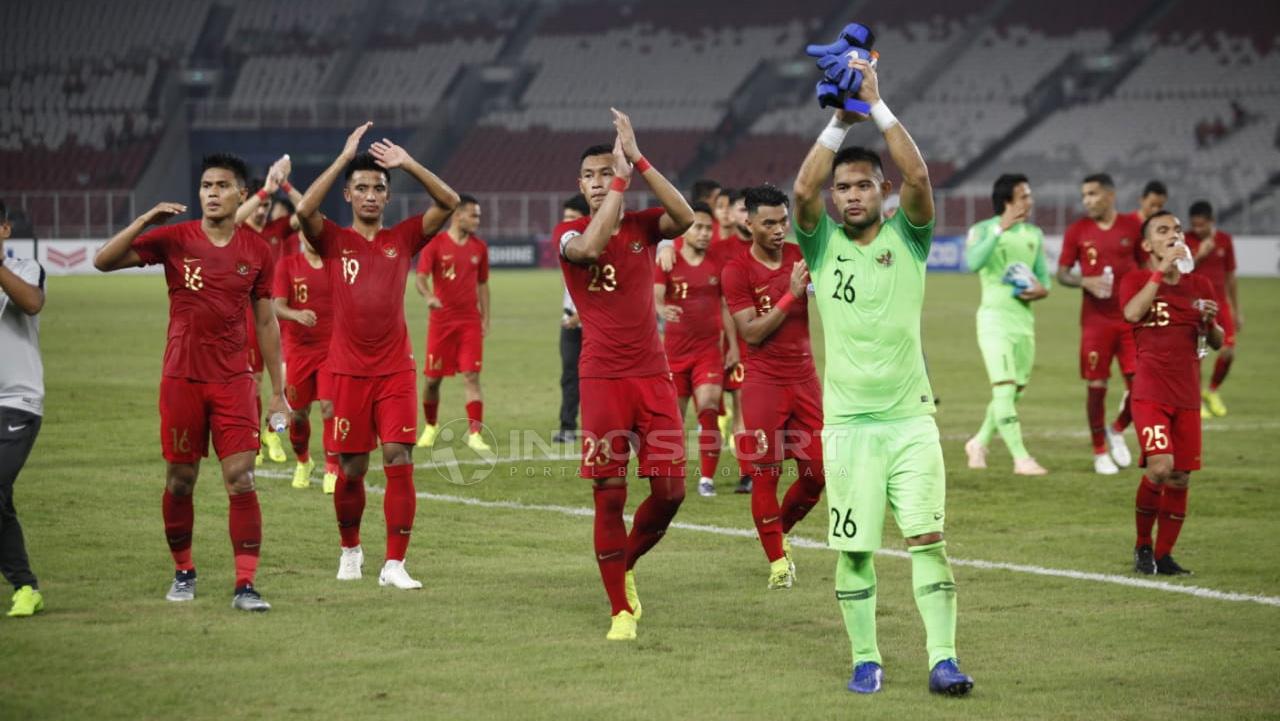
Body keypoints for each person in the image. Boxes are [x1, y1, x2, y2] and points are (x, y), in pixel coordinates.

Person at [792, 57, 973, 695]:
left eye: (864, 186)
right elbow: (799, 193)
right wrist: (840, 124)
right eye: (844, 188)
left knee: (927, 536)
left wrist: (878, 104)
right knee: (856, 550)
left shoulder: (913, 237)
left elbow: (919, 174)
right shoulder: (819, 243)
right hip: (846, 428)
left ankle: (943, 659)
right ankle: (865, 657)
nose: (852, 195)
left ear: (880, 193)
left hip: (910, 423)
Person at [93, 153, 286, 612]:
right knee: (181, 480)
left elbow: (266, 324)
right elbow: (103, 261)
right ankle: (183, 572)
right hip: (181, 378)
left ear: (242, 194)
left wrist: (279, 391)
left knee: (241, 479)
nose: (212, 193)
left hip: (235, 380)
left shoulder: (258, 251)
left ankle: (245, 585)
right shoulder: (174, 239)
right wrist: (144, 219)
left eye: (222, 185)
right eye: (205, 185)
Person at [296, 123, 459, 589]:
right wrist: (344, 158)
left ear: (388, 197)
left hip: (394, 370)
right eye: (362, 188)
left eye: (379, 189)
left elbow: (448, 202)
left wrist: (408, 163)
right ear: (348, 195)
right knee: (351, 467)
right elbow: (304, 209)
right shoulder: (332, 240)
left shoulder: (403, 239)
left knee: (398, 457)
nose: (371, 195)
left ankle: (395, 564)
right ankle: (351, 550)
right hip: (346, 370)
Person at [555, 108, 694, 641]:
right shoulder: (568, 234)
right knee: (610, 494)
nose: (596, 183)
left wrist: (638, 159)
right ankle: (619, 609)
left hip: (652, 377)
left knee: (671, 492)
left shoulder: (641, 227)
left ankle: (625, 561)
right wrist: (618, 178)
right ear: (579, 183)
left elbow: (683, 219)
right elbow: (591, 248)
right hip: (603, 381)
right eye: (588, 176)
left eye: (603, 174)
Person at [722, 184, 825, 589]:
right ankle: (778, 562)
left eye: (784, 220)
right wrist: (790, 296)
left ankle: (776, 531)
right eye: (769, 223)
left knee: (817, 474)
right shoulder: (737, 271)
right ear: (749, 224)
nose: (780, 229)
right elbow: (750, 332)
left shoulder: (803, 257)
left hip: (805, 381)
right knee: (765, 474)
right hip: (763, 384)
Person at [1119, 211, 1222, 575]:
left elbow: (1217, 340)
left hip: (1187, 397)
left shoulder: (1201, 286)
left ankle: (1164, 556)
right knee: (1160, 467)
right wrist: (1161, 270)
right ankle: (1142, 546)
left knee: (1181, 477)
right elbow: (1132, 313)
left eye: (1177, 229)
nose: (1174, 235)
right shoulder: (1135, 280)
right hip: (1150, 393)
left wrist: (1210, 322)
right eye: (1163, 230)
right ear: (1148, 245)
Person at [962, 174, 1051, 475]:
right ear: (1007, 201)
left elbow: (1044, 280)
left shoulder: (1034, 235)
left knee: (1014, 391)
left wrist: (1040, 290)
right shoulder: (982, 230)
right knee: (1003, 388)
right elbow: (974, 262)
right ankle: (1021, 458)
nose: (1030, 200)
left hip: (1024, 323)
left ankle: (978, 443)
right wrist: (1000, 229)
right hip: (994, 320)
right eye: (1024, 196)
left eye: (1029, 195)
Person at [1056, 173, 1144, 475]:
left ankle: (1117, 428)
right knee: (1097, 386)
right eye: (1084, 196)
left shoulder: (1133, 227)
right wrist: (1085, 280)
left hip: (1131, 319)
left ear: (1110, 195)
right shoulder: (1077, 230)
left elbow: (1147, 267)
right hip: (1095, 322)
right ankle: (1099, 451)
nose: (1087, 201)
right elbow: (1063, 273)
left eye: (1092, 194)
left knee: (1142, 384)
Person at [653, 201, 735, 497]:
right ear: (685, 230)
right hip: (674, 353)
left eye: (707, 228)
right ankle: (672, 474)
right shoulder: (668, 258)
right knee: (674, 417)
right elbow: (656, 297)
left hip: (708, 352)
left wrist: (733, 346)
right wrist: (662, 310)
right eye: (697, 227)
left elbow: (726, 305)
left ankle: (707, 479)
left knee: (710, 407)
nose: (704, 234)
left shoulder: (717, 261)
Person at [238, 158, 304, 465]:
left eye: (265, 207)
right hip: (250, 319)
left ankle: (272, 433)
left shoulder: (278, 229)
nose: (262, 212)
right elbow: (232, 216)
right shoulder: (236, 232)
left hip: (282, 317)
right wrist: (265, 192)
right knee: (255, 383)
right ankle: (254, 440)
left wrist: (284, 184)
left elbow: (307, 211)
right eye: (258, 206)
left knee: (286, 383)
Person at [415, 195, 491, 452]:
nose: (477, 221)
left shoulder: (479, 248)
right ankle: (431, 426)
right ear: (458, 215)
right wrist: (429, 297)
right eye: (474, 215)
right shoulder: (435, 245)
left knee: (472, 376)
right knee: (433, 381)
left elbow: (482, 285)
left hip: (469, 322)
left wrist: (486, 318)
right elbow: (420, 278)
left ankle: (475, 434)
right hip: (441, 323)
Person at [0, 200, 46, 617]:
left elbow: (31, 303)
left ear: (5, 231)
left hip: (17, 402)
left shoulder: (25, 269)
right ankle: (25, 586)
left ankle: (26, 586)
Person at [272, 232, 337, 492]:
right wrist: (296, 315)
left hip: (332, 351)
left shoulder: (337, 265)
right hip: (298, 351)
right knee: (298, 414)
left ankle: (333, 467)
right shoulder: (287, 265)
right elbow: (277, 306)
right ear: (300, 234)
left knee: (330, 408)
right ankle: (303, 461)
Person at [1184, 201, 1240, 418]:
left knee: (1228, 351)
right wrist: (1200, 255)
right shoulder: (1186, 241)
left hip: (1220, 305)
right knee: (1196, 356)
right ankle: (1195, 398)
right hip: (1195, 304)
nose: (1197, 229)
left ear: (1211, 222)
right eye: (1194, 225)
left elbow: (1231, 277)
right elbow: (1182, 272)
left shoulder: (1225, 241)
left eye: (1202, 225)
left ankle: (1212, 391)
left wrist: (1236, 308)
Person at [555, 195, 590, 444]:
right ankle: (567, 427)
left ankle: (602, 427)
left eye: (572, 218)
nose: (566, 222)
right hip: (570, 322)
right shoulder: (567, 245)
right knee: (569, 375)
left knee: (595, 376)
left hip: (592, 324)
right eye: (565, 217)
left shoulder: (593, 247)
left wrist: (579, 316)